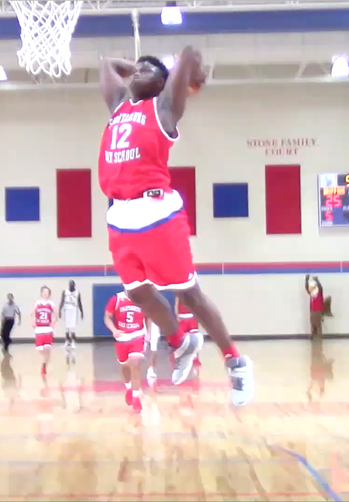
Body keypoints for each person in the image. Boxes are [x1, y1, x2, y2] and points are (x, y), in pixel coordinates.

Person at [97, 47, 254, 406]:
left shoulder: (164, 109)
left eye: (145, 71)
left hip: (158, 212)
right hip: (120, 215)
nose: (136, 73)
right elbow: (106, 64)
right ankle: (181, 342)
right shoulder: (119, 106)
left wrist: (170, 68)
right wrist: (138, 67)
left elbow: (189, 54)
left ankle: (236, 363)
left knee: (189, 293)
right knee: (137, 293)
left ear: (161, 84)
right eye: (134, 70)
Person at [104, 291, 148, 412]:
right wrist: (113, 330)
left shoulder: (142, 298)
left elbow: (148, 316)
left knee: (136, 363)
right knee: (124, 366)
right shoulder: (117, 299)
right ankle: (128, 387)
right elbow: (107, 316)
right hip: (122, 336)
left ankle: (136, 397)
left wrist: (148, 332)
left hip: (138, 335)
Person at [32, 286, 57, 377]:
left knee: (48, 350)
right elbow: (32, 313)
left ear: (49, 294)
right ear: (41, 293)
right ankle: (44, 362)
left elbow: (56, 315)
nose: (45, 293)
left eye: (47, 292)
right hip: (39, 329)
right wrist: (32, 321)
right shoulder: (37, 303)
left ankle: (44, 366)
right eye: (44, 292)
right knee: (40, 349)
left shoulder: (51, 304)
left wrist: (53, 322)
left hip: (48, 330)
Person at [59, 280, 84, 351]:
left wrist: (82, 312)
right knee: (66, 326)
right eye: (70, 284)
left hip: (74, 309)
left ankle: (73, 342)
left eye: (72, 284)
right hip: (66, 309)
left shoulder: (77, 293)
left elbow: (79, 302)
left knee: (73, 326)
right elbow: (62, 301)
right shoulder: (65, 292)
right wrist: (59, 311)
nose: (71, 285)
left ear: (74, 285)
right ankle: (67, 341)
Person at [305, 275, 325, 340]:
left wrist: (317, 280)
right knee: (312, 325)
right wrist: (306, 280)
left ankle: (320, 338)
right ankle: (312, 337)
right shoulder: (312, 294)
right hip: (312, 311)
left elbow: (321, 287)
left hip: (318, 311)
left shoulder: (319, 293)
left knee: (318, 326)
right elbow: (306, 288)